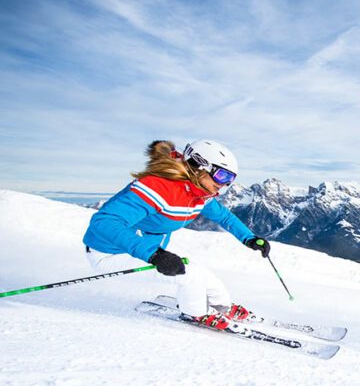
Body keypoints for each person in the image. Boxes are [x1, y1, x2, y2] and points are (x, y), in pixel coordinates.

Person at [83, 139, 272, 329]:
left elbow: (224, 217)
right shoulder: (157, 187)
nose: (224, 185)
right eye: (222, 175)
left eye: (230, 179)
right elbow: (104, 222)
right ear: (199, 166)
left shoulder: (197, 194)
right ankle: (195, 314)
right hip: (110, 253)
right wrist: (154, 255)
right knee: (189, 274)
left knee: (201, 271)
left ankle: (223, 306)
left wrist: (249, 238)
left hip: (148, 249)